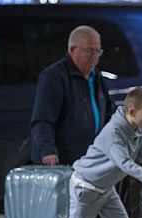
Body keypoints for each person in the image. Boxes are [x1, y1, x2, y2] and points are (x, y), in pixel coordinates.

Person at [68, 87, 142, 218]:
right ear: (132, 112)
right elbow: (125, 163)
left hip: (106, 189)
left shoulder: (138, 131)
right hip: (86, 188)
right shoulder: (113, 134)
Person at [31, 25, 116, 166]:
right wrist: (48, 151)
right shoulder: (54, 76)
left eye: (97, 51)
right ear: (72, 50)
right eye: (89, 51)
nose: (94, 57)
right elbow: (43, 119)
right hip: (64, 161)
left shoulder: (97, 78)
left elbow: (109, 113)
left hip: (90, 160)